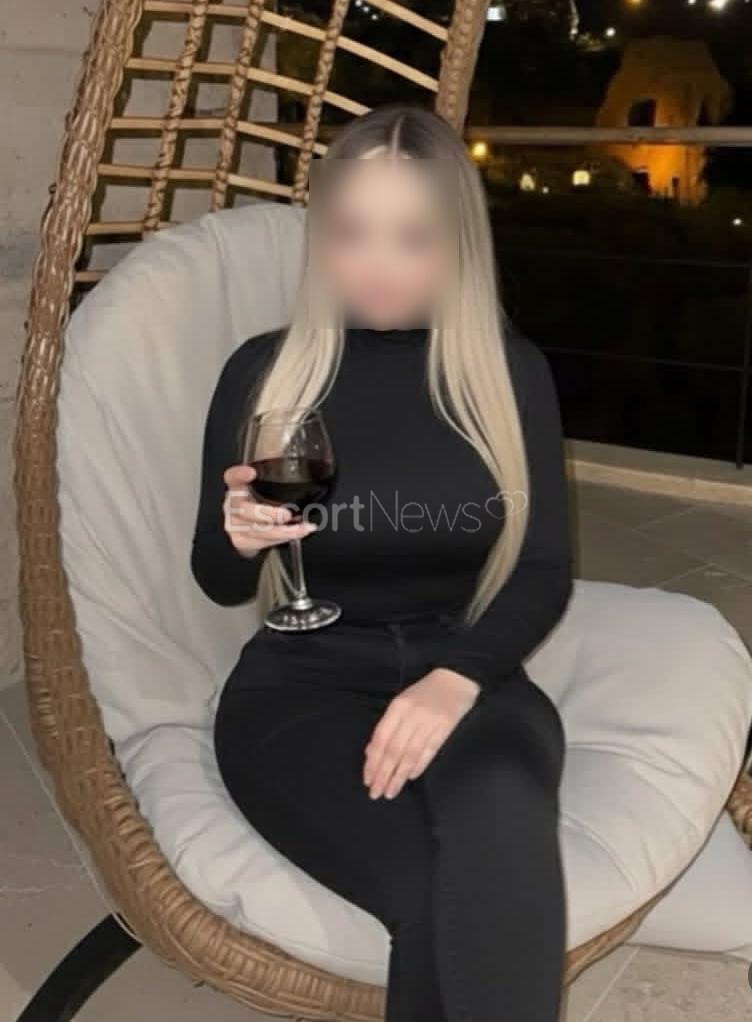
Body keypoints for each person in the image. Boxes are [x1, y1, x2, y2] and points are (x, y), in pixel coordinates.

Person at [192, 104, 573, 1022]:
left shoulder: (507, 373)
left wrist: (453, 681)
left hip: (470, 677)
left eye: (412, 238)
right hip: (299, 688)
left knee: (500, 837)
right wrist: (236, 538)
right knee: (427, 887)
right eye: (352, 233)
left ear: (457, 246)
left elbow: (542, 569)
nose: (377, 265)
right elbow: (218, 579)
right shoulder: (264, 373)